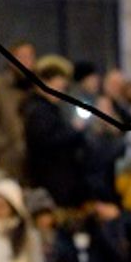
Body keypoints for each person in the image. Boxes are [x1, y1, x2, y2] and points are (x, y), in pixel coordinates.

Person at [25, 55, 87, 209]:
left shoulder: (50, 109)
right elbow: (46, 142)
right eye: (58, 87)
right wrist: (74, 130)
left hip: (60, 178)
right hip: (52, 180)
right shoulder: (39, 110)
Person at [0, 40, 36, 180]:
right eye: (22, 57)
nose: (27, 61)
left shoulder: (37, 87)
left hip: (35, 157)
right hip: (9, 157)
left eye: (30, 57)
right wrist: (1, 145)